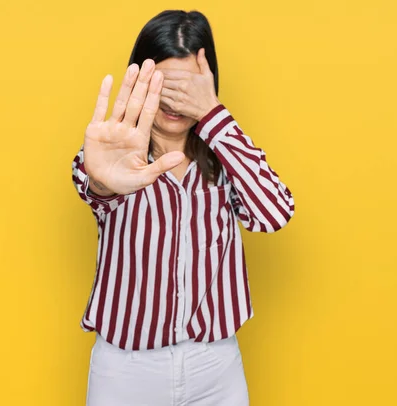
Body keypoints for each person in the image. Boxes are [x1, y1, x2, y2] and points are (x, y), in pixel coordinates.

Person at [71, 9, 295, 406]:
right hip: (126, 369)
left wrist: (213, 116)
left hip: (216, 365)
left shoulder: (227, 159)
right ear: (139, 81)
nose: (175, 102)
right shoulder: (111, 156)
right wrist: (102, 180)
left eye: (187, 87)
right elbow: (98, 188)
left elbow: (274, 212)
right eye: (163, 87)